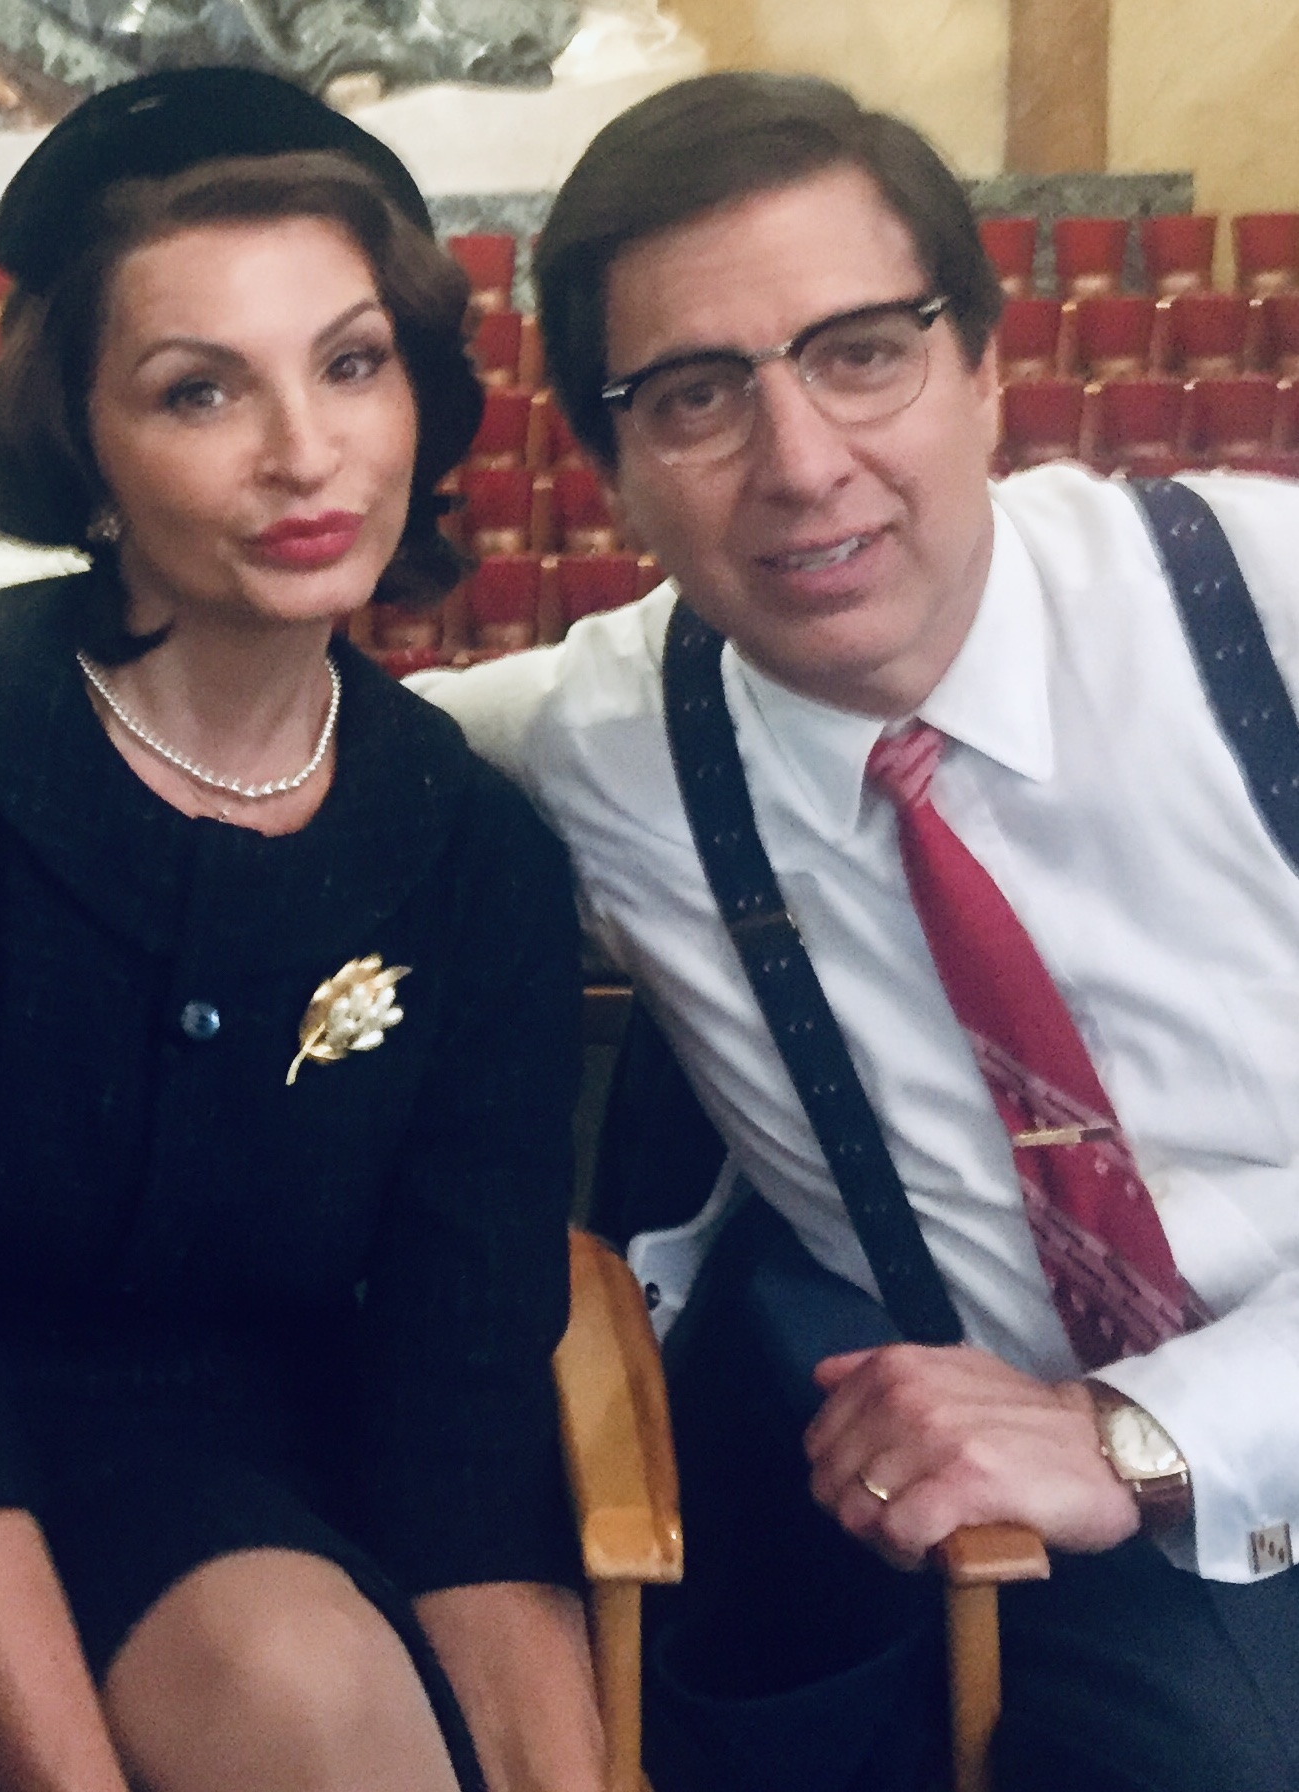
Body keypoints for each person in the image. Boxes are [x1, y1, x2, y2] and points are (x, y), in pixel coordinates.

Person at [0, 65, 604, 1792]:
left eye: (351, 365)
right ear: (84, 443)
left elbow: (462, 1422)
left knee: (309, 1687)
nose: (304, 451)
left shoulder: (477, 852)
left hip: (245, 1492)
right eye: (200, 389)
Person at [419, 70, 1299, 1792]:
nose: (804, 465)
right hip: (1109, 1567)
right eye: (695, 397)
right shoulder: (604, 739)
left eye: (863, 353)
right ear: (611, 472)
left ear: (984, 367)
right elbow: (247, 746)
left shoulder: (1266, 611)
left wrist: (1152, 1431)